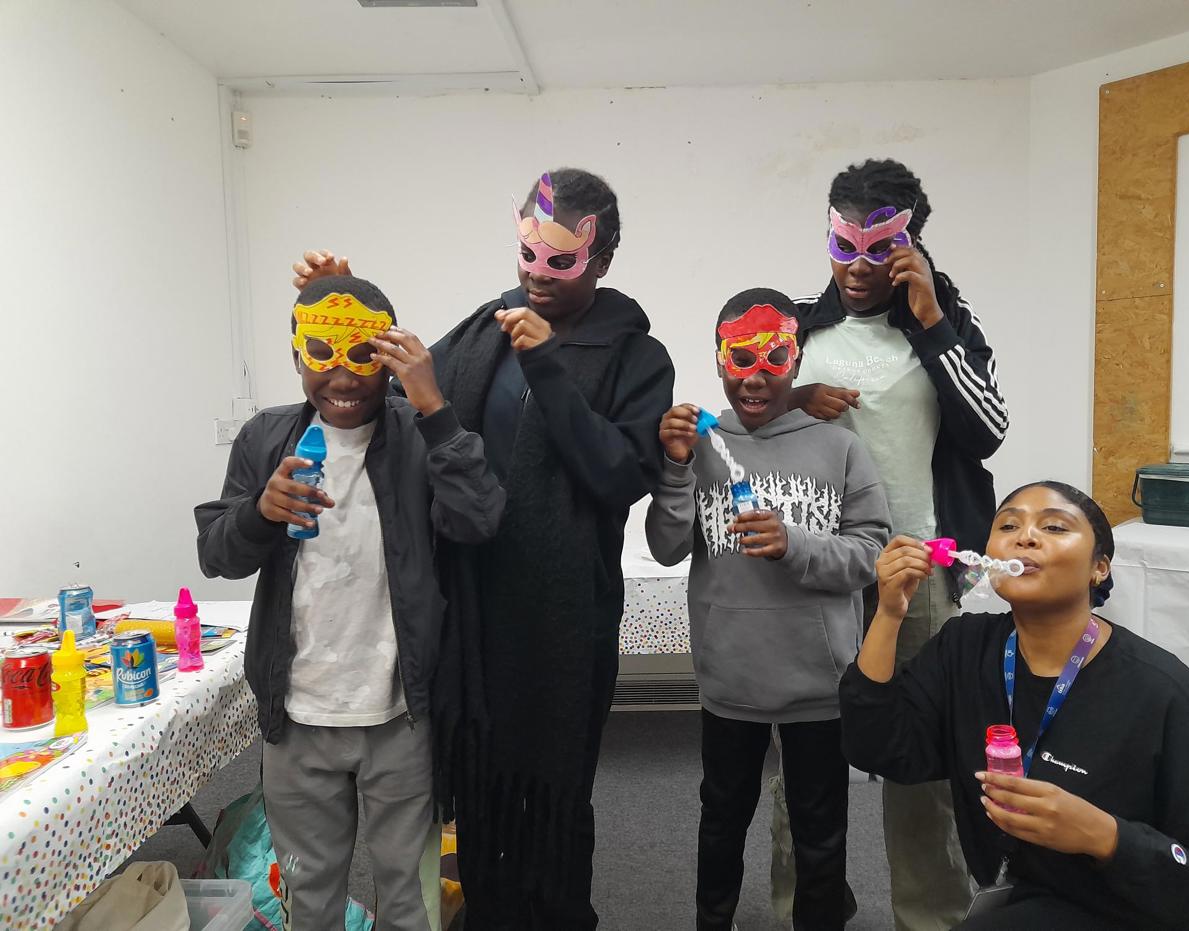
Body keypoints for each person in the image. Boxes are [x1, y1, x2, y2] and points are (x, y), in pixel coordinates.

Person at [291, 169, 675, 929]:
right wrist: (347, 314)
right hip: (468, 599)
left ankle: (559, 912)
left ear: (600, 261)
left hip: (561, 614)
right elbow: (399, 400)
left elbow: (617, 475)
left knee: (552, 779)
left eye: (559, 261)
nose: (536, 272)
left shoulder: (636, 357)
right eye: (527, 253)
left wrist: (548, 367)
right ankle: (492, 909)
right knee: (478, 770)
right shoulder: (487, 326)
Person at [195, 275, 505, 931]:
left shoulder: (419, 433)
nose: (341, 374)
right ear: (296, 352)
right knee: (309, 903)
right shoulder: (266, 438)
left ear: (388, 353)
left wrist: (433, 404)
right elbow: (218, 554)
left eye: (361, 353)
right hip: (298, 718)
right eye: (320, 352)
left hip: (401, 717)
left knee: (410, 901)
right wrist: (260, 513)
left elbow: (478, 520)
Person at [840, 480, 1189, 930]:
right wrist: (889, 613)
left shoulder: (1165, 694)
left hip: (1134, 910)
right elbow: (878, 748)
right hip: (1020, 897)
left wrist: (1106, 837)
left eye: (1054, 526)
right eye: (1008, 524)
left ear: (1099, 569)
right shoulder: (965, 648)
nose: (1024, 536)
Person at [785, 157, 1008, 929]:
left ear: (909, 243)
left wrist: (932, 318)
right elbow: (746, 421)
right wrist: (790, 397)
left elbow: (986, 431)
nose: (856, 266)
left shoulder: (945, 320)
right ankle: (803, 910)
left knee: (923, 761)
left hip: (919, 570)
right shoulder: (795, 323)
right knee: (805, 760)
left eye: (877, 248)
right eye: (842, 245)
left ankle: (932, 914)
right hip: (817, 571)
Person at [646, 289, 890, 930]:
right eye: (739, 359)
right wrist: (672, 471)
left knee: (821, 829)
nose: (753, 378)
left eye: (773, 359)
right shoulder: (699, 444)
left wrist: (796, 544)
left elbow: (872, 554)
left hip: (819, 684)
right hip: (729, 680)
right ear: (719, 359)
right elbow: (667, 548)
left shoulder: (839, 449)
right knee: (721, 818)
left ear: (797, 358)